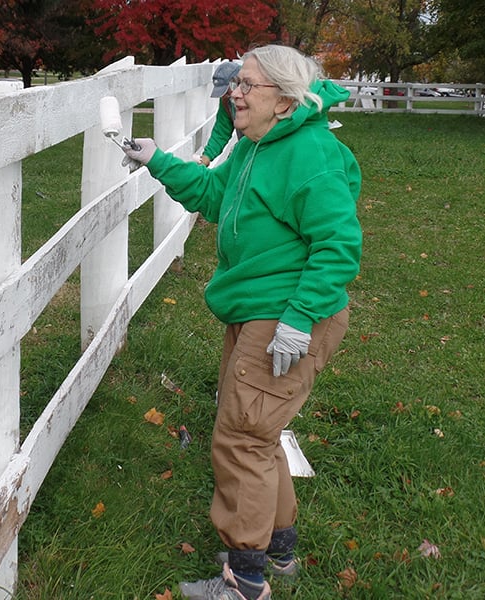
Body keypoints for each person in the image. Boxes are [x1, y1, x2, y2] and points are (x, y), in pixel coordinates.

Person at [122, 44, 362, 600]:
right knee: (258, 433)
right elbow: (213, 194)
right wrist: (157, 159)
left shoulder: (310, 154)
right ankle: (277, 555)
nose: (234, 91)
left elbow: (338, 246)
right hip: (258, 310)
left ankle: (244, 581)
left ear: (283, 98)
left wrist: (299, 320)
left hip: (286, 314)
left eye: (247, 84)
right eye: (237, 82)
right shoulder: (257, 146)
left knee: (241, 440)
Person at [199, 60, 241, 167]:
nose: (229, 95)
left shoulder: (257, 97)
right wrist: (206, 157)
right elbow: (221, 131)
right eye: (224, 92)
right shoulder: (227, 102)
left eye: (229, 89)